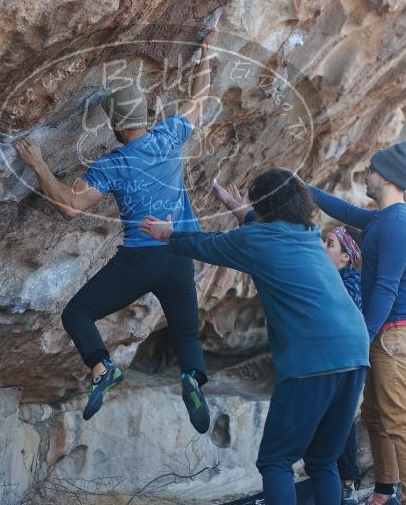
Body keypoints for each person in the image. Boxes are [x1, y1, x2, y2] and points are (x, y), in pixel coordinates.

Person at [12, 27, 219, 433]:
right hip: (180, 255)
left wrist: (38, 164)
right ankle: (191, 378)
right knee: (186, 336)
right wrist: (207, 53)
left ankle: (103, 367)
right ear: (144, 118)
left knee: (77, 313)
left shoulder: (113, 163)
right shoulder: (168, 136)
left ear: (116, 127)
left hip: (141, 258)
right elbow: (199, 101)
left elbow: (70, 207)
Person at [140, 169, 369, 505]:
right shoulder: (307, 233)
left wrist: (167, 234)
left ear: (265, 205)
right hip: (355, 352)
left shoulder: (258, 239)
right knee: (322, 461)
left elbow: (207, 244)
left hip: (313, 358)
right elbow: (263, 230)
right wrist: (235, 205)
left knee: (275, 461)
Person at [306, 140, 406, 505]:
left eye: (372, 170)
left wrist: (364, 336)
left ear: (389, 178)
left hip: (397, 333)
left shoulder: (397, 225)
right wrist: (305, 190)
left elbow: (387, 291)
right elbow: (344, 210)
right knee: (374, 416)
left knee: (401, 423)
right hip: (386, 331)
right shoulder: (383, 218)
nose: (367, 175)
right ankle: (384, 492)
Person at [323, 226, 364, 505]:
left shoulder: (350, 281)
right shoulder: (328, 276)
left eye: (330, 244)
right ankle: (329, 478)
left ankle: (348, 483)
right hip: (325, 359)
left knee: (342, 420)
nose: (323, 248)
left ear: (346, 257)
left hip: (345, 362)